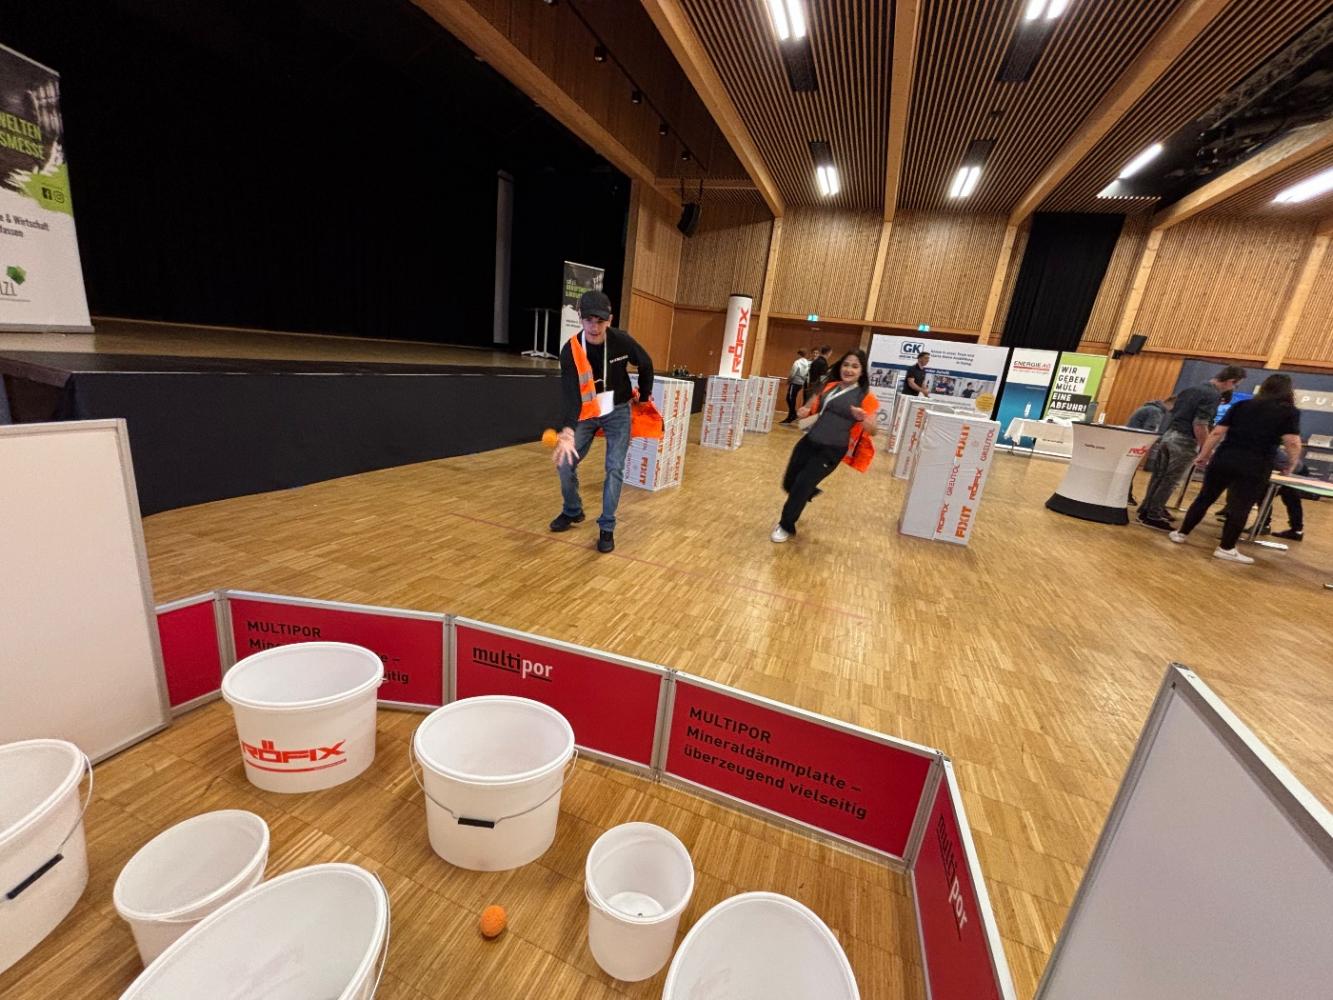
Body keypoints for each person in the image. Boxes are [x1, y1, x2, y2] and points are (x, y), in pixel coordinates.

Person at [549, 290, 654, 554]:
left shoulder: (621, 341)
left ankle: (607, 526)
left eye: (600, 321)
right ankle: (572, 510)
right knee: (564, 463)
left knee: (614, 468)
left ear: (610, 320)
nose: (594, 328)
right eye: (589, 320)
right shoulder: (570, 351)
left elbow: (646, 364)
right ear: (580, 318)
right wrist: (568, 430)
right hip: (586, 411)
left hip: (617, 410)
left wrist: (644, 395)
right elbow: (571, 395)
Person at [1168, 374, 1301, 564]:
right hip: (1255, 463)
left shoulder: (1242, 405)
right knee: (1241, 505)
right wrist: (1291, 464)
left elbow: (1217, 432)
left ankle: (1181, 533)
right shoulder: (1289, 412)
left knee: (1205, 497)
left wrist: (1204, 454)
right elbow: (1292, 442)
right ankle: (1226, 547)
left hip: (1224, 457)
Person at [771, 350, 879, 543]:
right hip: (808, 441)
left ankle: (786, 525)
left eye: (855, 366)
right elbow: (813, 403)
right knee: (789, 482)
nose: (849, 369)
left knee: (801, 486)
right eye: (846, 364)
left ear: (862, 371)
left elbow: (873, 430)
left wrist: (863, 418)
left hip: (831, 450)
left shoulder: (866, 397)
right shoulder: (830, 386)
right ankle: (809, 491)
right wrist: (805, 410)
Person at [1137, 366, 1246, 530]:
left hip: (1169, 435)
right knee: (1170, 480)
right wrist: (1205, 449)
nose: (1234, 388)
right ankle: (1153, 515)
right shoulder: (1212, 395)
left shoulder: (1191, 389)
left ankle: (1145, 510)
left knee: (1159, 476)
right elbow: (1200, 424)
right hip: (1184, 441)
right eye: (1236, 385)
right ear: (1231, 381)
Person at [1126, 394, 1175, 505]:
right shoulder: (1156, 412)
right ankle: (1126, 496)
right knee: (1129, 471)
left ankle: (1127, 496)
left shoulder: (1150, 408)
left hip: (1130, 441)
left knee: (1129, 471)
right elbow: (1149, 432)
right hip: (1135, 444)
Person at [781, 349, 809, 425]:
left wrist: (789, 380)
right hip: (801, 383)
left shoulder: (797, 362)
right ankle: (792, 414)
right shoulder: (807, 363)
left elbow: (793, 373)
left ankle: (792, 414)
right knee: (792, 398)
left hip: (794, 382)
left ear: (799, 354)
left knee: (789, 398)